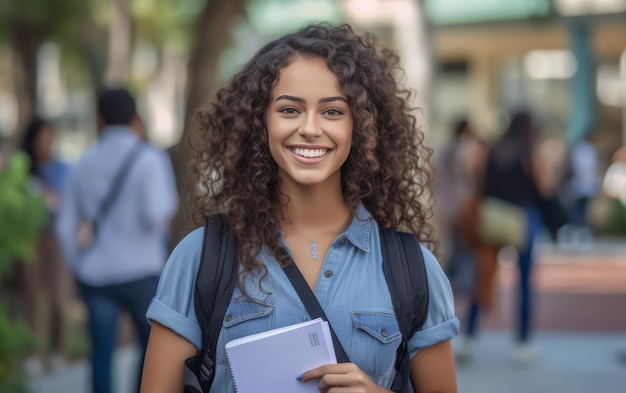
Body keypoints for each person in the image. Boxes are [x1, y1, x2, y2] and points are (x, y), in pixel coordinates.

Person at [141, 24, 459, 393]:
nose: (310, 128)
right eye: (290, 109)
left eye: (333, 112)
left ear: (362, 126)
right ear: (260, 122)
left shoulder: (413, 269)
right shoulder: (201, 258)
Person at [55, 88, 178, 393]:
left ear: (100, 119)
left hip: (96, 274)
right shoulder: (151, 159)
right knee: (150, 352)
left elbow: (64, 225)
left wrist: (77, 263)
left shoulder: (83, 163)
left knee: (100, 353)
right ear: (135, 118)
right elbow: (158, 214)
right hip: (143, 271)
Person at [457, 111, 567, 364]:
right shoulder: (530, 153)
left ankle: (469, 339)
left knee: (483, 276)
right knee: (525, 282)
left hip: (492, 218)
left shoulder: (492, 150)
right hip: (523, 220)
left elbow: (475, 176)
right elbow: (545, 187)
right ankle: (523, 344)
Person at [17, 117, 73, 374]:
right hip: (29, 239)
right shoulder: (22, 170)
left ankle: (58, 350)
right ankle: (33, 354)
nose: (47, 144)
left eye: (51, 138)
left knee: (60, 298)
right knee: (32, 297)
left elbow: (67, 202)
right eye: (43, 138)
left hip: (57, 239)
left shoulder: (63, 168)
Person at [433, 117, 486, 295]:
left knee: (451, 244)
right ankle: (457, 281)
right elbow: (473, 177)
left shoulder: (442, 151)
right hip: (463, 204)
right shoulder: (468, 148)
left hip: (443, 204)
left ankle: (447, 280)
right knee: (462, 245)